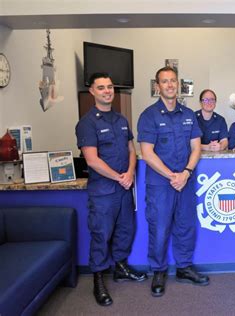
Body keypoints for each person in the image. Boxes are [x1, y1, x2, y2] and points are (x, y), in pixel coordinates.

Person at [75, 73, 147, 307]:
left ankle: (121, 268)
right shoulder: (87, 123)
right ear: (93, 92)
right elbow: (92, 160)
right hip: (103, 192)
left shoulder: (121, 120)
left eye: (110, 87)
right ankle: (98, 280)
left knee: (125, 230)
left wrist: (129, 173)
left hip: (124, 188)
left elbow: (131, 150)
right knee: (101, 235)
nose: (107, 91)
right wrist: (119, 177)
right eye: (102, 87)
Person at [137, 66, 209, 298]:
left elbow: (196, 147)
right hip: (161, 185)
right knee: (159, 228)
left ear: (178, 85)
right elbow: (147, 153)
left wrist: (186, 173)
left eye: (173, 81)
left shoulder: (189, 115)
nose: (169, 85)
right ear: (157, 86)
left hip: (185, 181)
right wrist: (172, 176)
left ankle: (184, 268)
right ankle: (158, 271)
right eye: (164, 82)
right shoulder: (149, 116)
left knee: (186, 226)